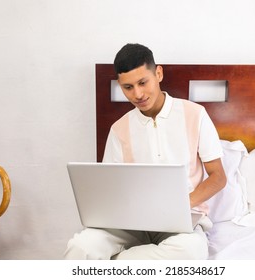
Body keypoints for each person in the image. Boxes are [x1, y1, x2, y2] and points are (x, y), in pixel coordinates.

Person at [64, 43, 226, 260]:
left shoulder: (195, 114)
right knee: (81, 246)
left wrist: (180, 204)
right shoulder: (119, 129)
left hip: (181, 221)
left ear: (158, 73)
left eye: (143, 82)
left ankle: (117, 263)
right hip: (130, 222)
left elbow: (218, 177)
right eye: (128, 87)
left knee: (190, 252)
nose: (137, 94)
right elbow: (110, 187)